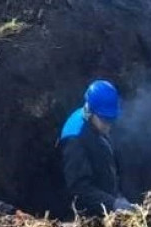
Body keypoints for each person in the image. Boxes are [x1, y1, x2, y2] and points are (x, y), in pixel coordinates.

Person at [58, 79, 135, 217]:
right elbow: (79, 189)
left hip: (107, 201)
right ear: (90, 112)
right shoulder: (75, 139)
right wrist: (113, 204)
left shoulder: (96, 122)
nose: (108, 125)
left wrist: (119, 196)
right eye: (104, 120)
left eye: (111, 120)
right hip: (87, 216)